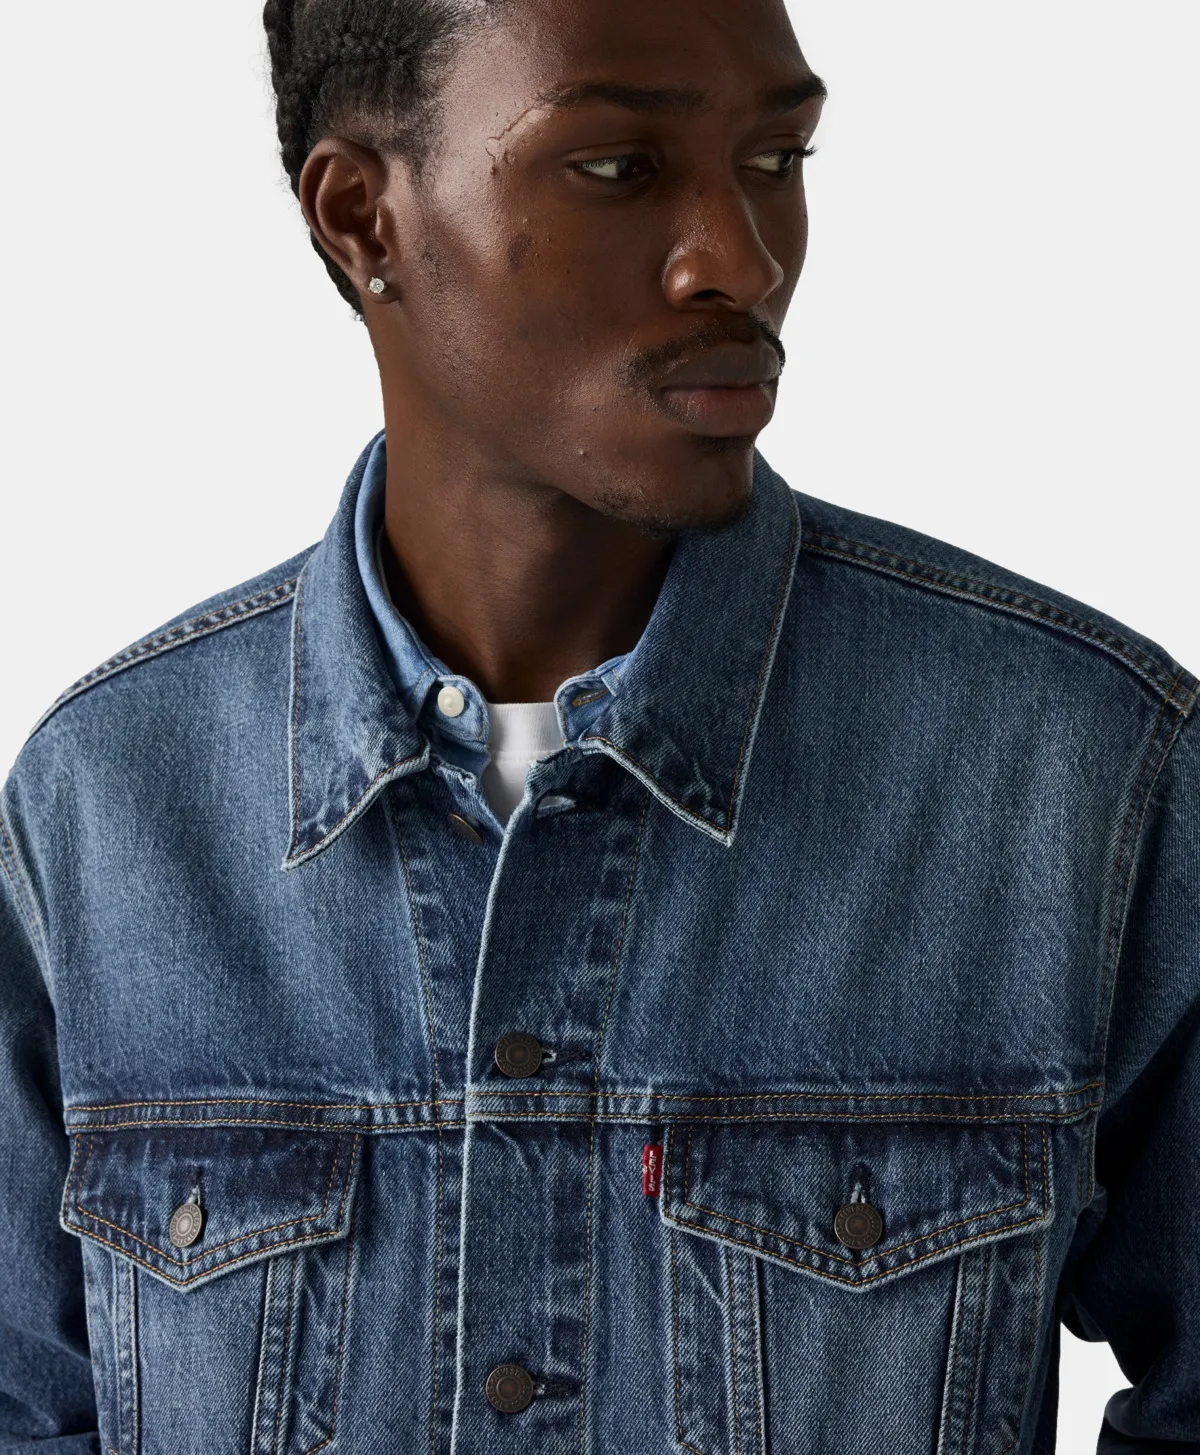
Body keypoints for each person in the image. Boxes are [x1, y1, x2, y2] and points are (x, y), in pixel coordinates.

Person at [1, 0, 1196, 1450]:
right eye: (620, 167)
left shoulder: (1086, 776)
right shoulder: (101, 810)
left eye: (777, 158)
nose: (741, 260)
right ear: (362, 215)